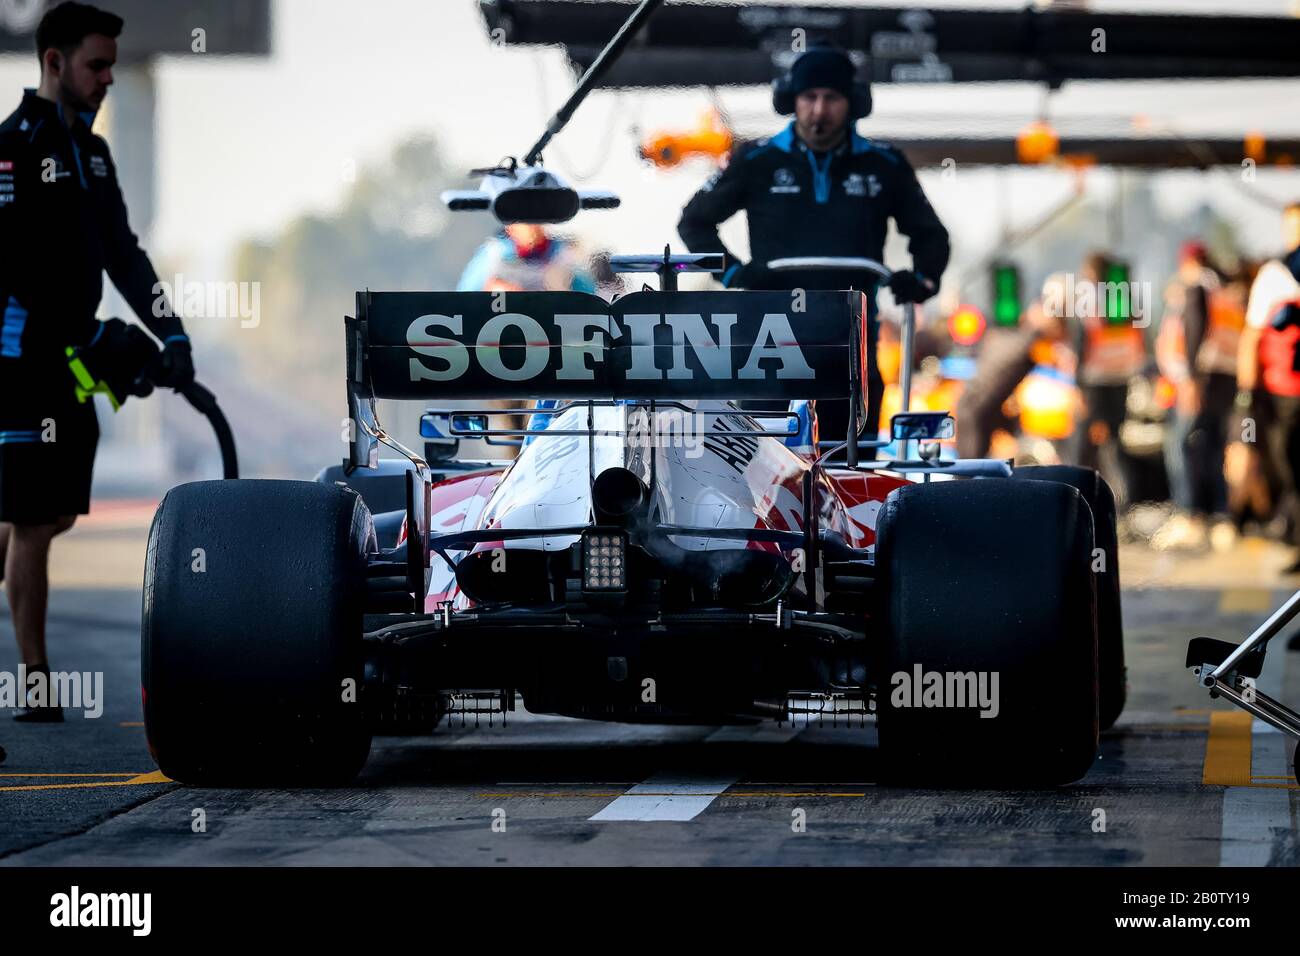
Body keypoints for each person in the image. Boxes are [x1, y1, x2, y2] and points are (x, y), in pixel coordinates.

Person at [0, 2, 192, 721]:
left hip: (72, 359)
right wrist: (62, 338)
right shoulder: (11, 148)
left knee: (45, 515)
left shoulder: (96, 153)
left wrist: (171, 333)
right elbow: (9, 265)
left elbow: (124, 256)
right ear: (54, 63)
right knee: (31, 519)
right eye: (96, 64)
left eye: (113, 64)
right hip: (17, 356)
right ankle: (37, 682)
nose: (108, 77)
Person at [677, 45, 949, 446]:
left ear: (852, 103)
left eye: (831, 98)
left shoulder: (884, 164)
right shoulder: (757, 159)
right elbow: (694, 221)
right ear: (792, 100)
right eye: (809, 97)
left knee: (852, 461)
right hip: (766, 343)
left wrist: (922, 279)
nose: (819, 110)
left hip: (851, 339)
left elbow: (931, 235)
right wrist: (734, 272)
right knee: (760, 461)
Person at [1152, 242, 1242, 551]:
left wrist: (1190, 378)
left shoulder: (1196, 285)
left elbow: (1194, 328)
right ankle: (1221, 517)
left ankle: (1189, 516)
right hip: (1226, 378)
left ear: (1188, 262)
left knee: (1178, 444)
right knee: (1214, 448)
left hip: (1199, 378)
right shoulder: (1226, 289)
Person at [1239, 202, 1300, 572]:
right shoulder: (1275, 275)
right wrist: (1248, 394)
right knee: (1287, 464)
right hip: (1282, 393)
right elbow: (1252, 337)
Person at [956, 275, 1069, 459]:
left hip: (981, 407)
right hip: (975, 410)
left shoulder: (1006, 335)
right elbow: (1061, 362)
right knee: (968, 474)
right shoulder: (1032, 341)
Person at [1069, 251, 1146, 501]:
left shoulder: (1088, 299)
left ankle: (1079, 499)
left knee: (1084, 449)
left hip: (1094, 384)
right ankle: (1124, 501)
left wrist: (1076, 388)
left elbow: (1081, 346)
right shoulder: (1125, 298)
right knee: (1114, 444)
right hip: (1121, 378)